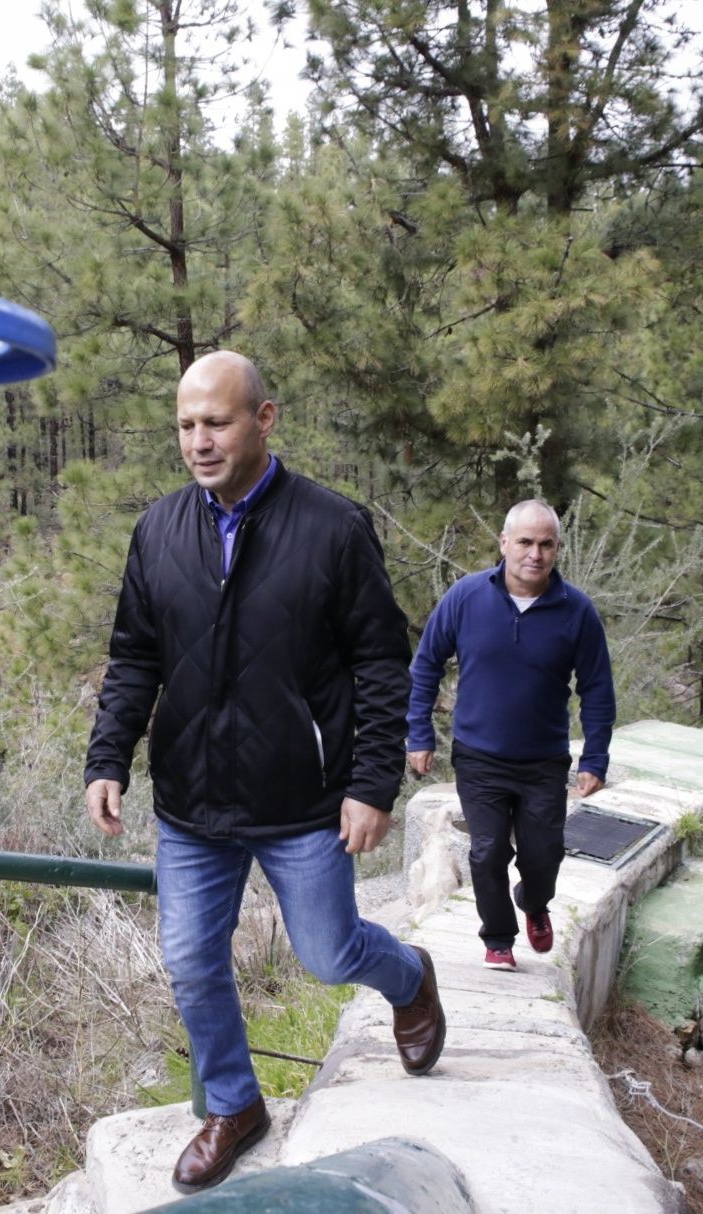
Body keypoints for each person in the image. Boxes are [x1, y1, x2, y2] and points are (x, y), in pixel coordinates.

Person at [84, 350, 445, 1193]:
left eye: (216, 422)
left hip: (302, 803)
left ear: (264, 418)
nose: (199, 441)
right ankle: (231, 1105)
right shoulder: (159, 530)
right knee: (191, 958)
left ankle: (410, 977)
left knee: (328, 953)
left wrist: (369, 784)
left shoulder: (331, 527)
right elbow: (135, 656)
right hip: (191, 801)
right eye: (185, 425)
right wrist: (109, 757)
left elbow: (380, 662)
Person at [406, 500, 616, 972]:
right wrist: (418, 733)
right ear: (504, 543)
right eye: (525, 542)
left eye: (545, 544)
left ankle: (534, 900)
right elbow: (425, 667)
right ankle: (498, 936)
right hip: (479, 756)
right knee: (488, 851)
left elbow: (598, 688)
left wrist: (594, 759)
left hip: (543, 760)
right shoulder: (466, 597)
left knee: (545, 853)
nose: (535, 554)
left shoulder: (577, 611)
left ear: (557, 548)